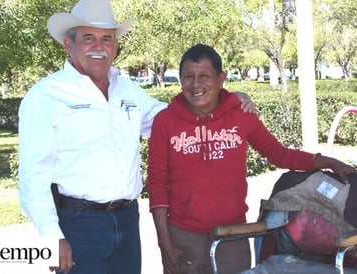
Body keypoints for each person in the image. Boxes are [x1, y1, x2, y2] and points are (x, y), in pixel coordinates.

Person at [18, 1, 256, 273]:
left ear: (116, 46)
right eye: (88, 38)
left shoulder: (127, 90)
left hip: (128, 220)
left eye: (107, 38)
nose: (99, 46)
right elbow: (32, 176)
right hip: (77, 223)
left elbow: (172, 121)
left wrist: (226, 101)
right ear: (68, 45)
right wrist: (52, 237)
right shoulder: (45, 96)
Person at [146, 43, 357, 274]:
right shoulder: (165, 122)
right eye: (188, 77)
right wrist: (164, 243)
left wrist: (327, 161)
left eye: (204, 76)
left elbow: (278, 154)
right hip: (183, 237)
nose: (196, 84)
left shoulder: (241, 115)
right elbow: (156, 184)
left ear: (221, 78)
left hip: (232, 235)